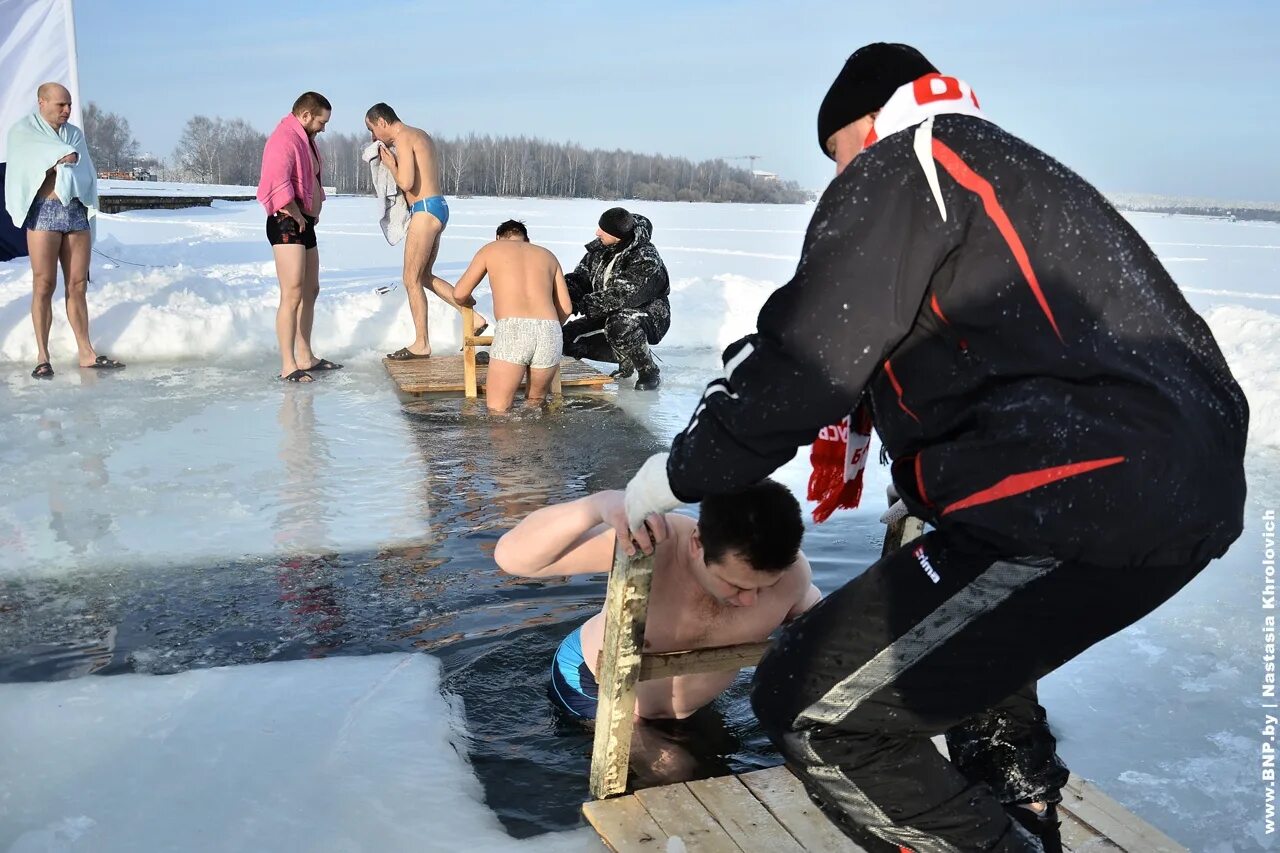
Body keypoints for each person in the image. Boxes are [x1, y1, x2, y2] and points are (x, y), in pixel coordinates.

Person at [610, 43, 1248, 852]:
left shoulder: (907, 164)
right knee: (969, 663)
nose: (836, 182)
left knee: (809, 703)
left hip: (1077, 487)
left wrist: (673, 474)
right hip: (1175, 481)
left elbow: (804, 362)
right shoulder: (1010, 173)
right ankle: (1020, 802)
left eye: (836, 156)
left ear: (866, 125)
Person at [495, 480, 820, 721]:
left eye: (764, 586)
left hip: (687, 711)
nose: (749, 600)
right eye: (734, 584)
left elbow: (822, 628)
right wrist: (598, 506)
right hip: (590, 682)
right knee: (669, 772)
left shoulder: (793, 579)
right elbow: (514, 558)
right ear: (697, 543)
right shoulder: (651, 545)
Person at [4, 82, 123, 379]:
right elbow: (27, 162)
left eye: (69, 104)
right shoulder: (23, 132)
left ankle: (86, 352)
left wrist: (68, 157)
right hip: (44, 211)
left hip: (75, 211)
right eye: (61, 105)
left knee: (77, 284)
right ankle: (42, 356)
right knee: (44, 284)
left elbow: (84, 169)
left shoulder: (74, 134)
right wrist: (57, 157)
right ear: (42, 102)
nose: (67, 110)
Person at [365, 103, 486, 360]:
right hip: (437, 207)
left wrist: (390, 165)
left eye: (372, 129)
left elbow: (407, 181)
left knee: (410, 279)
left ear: (382, 122)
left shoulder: (405, 136)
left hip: (425, 209)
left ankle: (421, 344)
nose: (373, 137)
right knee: (423, 277)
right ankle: (473, 317)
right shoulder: (421, 135)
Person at [257, 91, 342, 383]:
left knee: (310, 290)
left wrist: (310, 209)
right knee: (292, 293)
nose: (323, 127)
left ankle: (305, 355)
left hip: (304, 222)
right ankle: (288, 364)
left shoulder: (305, 141)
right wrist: (294, 209)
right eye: (321, 121)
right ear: (305, 116)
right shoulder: (283, 140)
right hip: (285, 223)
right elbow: (274, 180)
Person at [452, 220, 573, 412]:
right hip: (550, 330)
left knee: (498, 411)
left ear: (498, 238)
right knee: (535, 406)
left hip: (514, 330)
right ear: (527, 240)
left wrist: (468, 303)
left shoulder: (491, 249)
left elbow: (459, 293)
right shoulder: (548, 255)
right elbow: (566, 308)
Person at [561, 208, 669, 391]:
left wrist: (581, 305)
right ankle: (626, 359)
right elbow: (580, 279)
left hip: (647, 313)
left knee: (619, 325)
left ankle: (648, 370)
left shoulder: (645, 257)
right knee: (565, 339)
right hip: (606, 311)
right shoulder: (600, 249)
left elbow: (623, 295)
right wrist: (565, 294)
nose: (597, 233)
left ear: (618, 236)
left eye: (603, 230)